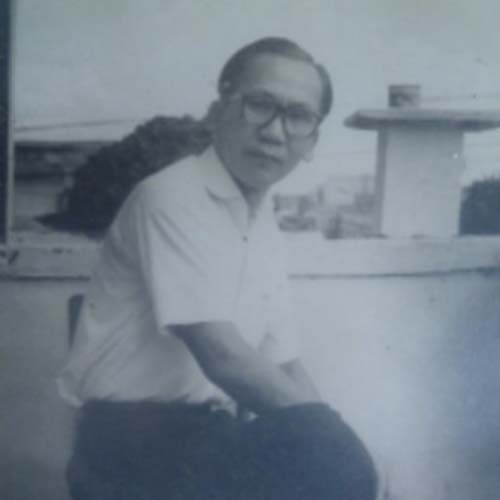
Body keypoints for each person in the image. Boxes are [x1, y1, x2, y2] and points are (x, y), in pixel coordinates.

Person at [58, 37, 378, 500]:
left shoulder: (262, 223)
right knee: (340, 470)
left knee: (341, 472)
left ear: (312, 141)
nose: (274, 132)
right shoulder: (171, 196)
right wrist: (339, 449)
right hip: (128, 444)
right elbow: (223, 355)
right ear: (217, 111)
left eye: (298, 116)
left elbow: (284, 363)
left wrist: (338, 445)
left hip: (206, 439)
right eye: (259, 105)